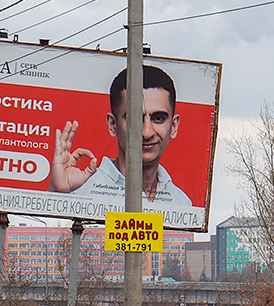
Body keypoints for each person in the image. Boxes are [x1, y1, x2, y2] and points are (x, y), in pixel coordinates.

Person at [48, 65, 192, 208]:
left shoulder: (181, 202)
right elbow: (44, 229)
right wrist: (57, 194)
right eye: (134, 118)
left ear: (174, 126)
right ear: (113, 124)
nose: (146, 132)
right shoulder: (79, 190)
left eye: (159, 118)